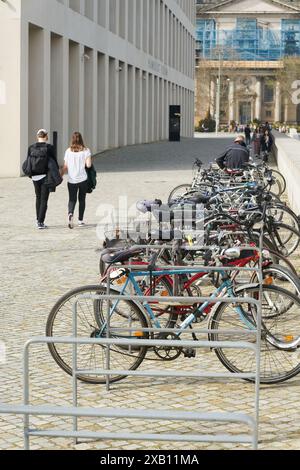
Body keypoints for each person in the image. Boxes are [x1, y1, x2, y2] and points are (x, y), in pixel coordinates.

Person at [24, 129, 58, 229]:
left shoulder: (31, 148)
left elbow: (28, 161)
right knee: (44, 199)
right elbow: (54, 162)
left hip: (34, 176)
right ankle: (40, 222)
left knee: (38, 197)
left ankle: (37, 219)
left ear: (37, 136)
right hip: (45, 176)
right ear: (46, 136)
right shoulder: (49, 147)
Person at [61, 132, 92, 229]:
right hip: (82, 179)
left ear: (72, 139)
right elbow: (88, 165)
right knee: (82, 199)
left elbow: (65, 166)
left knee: (72, 199)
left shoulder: (68, 151)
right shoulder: (86, 151)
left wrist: (60, 175)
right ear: (81, 139)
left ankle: (70, 213)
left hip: (71, 180)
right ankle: (80, 220)